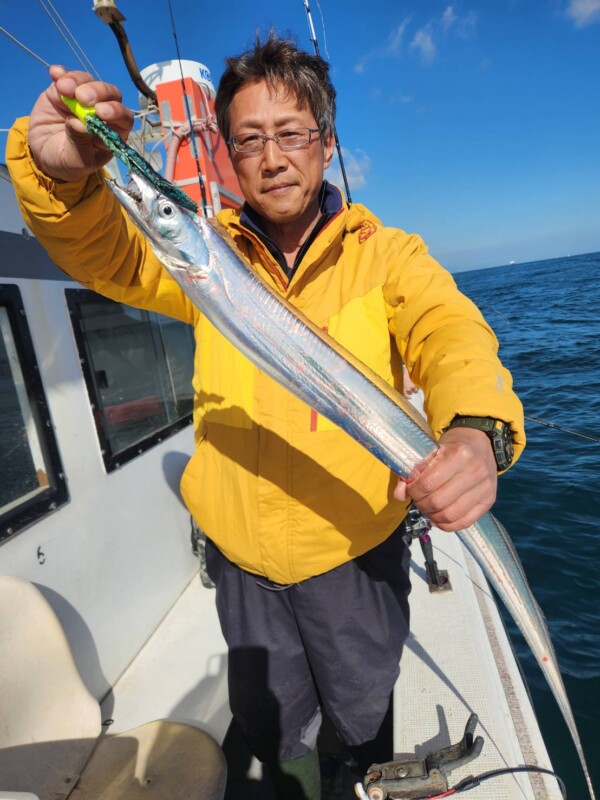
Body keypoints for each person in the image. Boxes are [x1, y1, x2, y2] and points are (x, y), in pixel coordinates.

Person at [6, 33, 525, 800]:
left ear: (326, 143)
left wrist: (475, 430)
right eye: (249, 140)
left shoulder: (387, 257)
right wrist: (60, 179)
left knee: (359, 720)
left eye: (290, 134)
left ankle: (360, 783)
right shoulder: (205, 256)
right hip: (243, 567)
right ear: (227, 156)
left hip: (353, 556)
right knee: (272, 729)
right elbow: (110, 257)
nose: (273, 157)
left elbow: (451, 336)